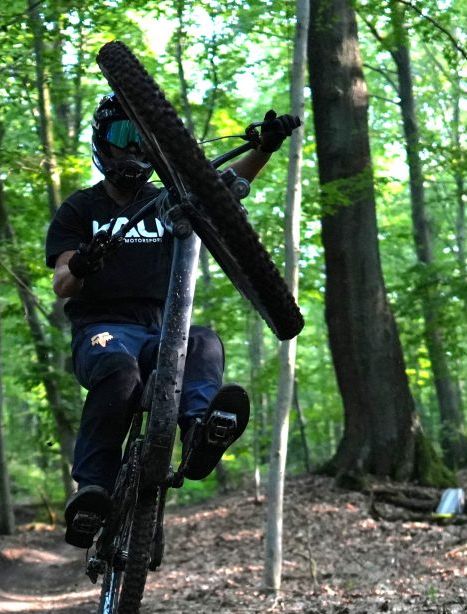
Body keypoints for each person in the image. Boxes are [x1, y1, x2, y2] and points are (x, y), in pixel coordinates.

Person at [46, 92, 299, 547]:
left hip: (163, 326)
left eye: (141, 138)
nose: (133, 147)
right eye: (123, 136)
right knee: (120, 372)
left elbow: (221, 189)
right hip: (103, 330)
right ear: (102, 142)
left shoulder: (167, 201)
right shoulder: (81, 209)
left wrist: (264, 147)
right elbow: (62, 281)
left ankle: (201, 432)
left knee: (203, 341)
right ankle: (92, 490)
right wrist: (82, 265)